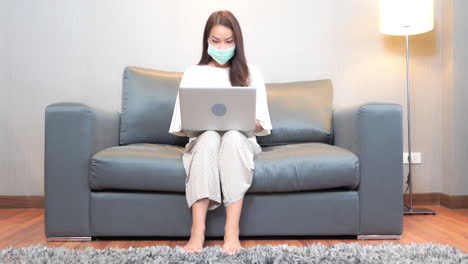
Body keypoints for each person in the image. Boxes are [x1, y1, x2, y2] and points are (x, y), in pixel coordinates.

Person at [168, 10, 272, 255]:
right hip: (204, 140)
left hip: (241, 140)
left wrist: (241, 121)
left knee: (233, 136)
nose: (222, 47)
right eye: (215, 41)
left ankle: (231, 232)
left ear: (237, 41)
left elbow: (262, 123)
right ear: (207, 41)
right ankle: (197, 233)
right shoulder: (194, 73)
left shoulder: (251, 72)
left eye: (228, 41)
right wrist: (203, 123)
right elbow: (181, 125)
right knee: (209, 138)